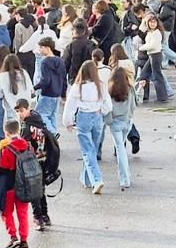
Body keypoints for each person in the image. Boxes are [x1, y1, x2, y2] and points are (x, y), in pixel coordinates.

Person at [63, 58, 111, 193]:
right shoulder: (100, 85)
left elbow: (70, 106)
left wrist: (68, 122)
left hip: (83, 116)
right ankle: (86, 179)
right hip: (97, 117)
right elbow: (108, 104)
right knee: (92, 150)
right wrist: (102, 110)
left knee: (87, 150)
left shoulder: (77, 86)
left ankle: (96, 179)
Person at [14, 97, 59, 230]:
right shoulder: (39, 120)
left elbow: (23, 146)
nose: (19, 114)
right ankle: (45, 215)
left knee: (33, 190)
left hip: (33, 163)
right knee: (41, 189)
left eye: (21, 111)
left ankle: (38, 217)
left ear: (28, 109)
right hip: (44, 159)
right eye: (17, 112)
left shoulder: (26, 127)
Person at [0, 117, 33, 248]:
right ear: (19, 130)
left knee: (6, 212)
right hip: (25, 185)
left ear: (6, 132)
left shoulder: (6, 149)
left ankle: (13, 237)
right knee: (22, 213)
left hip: (9, 186)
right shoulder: (28, 146)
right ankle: (24, 240)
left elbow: (2, 167)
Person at [108, 65, 136, 190]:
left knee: (120, 149)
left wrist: (108, 121)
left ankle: (125, 179)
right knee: (122, 147)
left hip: (115, 122)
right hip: (127, 121)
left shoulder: (110, 91)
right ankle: (126, 175)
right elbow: (134, 105)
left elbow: (107, 109)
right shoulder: (130, 89)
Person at [33, 36, 67, 135]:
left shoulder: (45, 62)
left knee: (41, 115)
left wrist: (34, 88)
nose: (40, 50)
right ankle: (53, 140)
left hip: (47, 93)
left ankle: (53, 132)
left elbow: (45, 80)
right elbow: (64, 79)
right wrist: (63, 94)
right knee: (52, 116)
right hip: (57, 94)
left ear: (47, 48)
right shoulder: (60, 61)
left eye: (41, 47)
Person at [137, 14, 170, 104]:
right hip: (151, 55)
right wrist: (144, 20)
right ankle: (143, 95)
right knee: (144, 74)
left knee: (157, 76)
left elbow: (153, 46)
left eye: (154, 22)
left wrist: (141, 47)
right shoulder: (150, 32)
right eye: (150, 22)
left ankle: (162, 97)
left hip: (155, 55)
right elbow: (141, 30)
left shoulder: (157, 32)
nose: (152, 24)